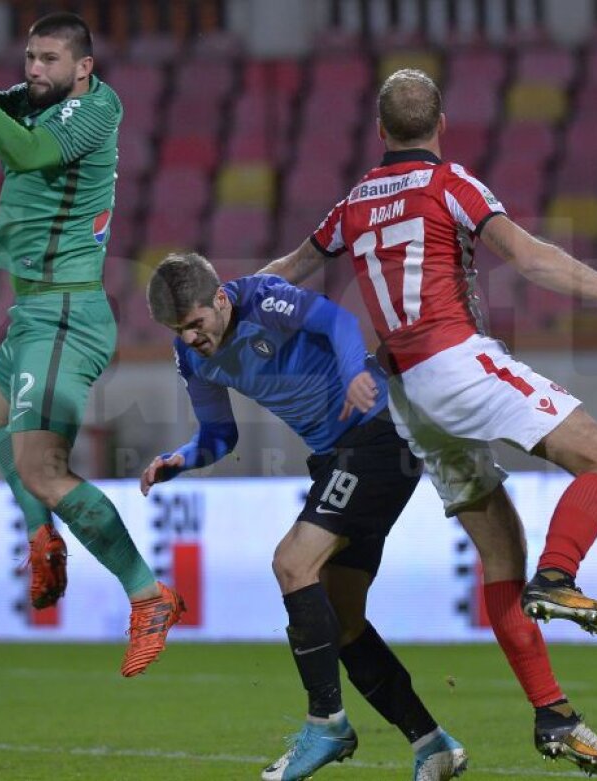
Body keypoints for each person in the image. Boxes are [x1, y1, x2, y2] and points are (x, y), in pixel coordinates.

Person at [262, 68, 597, 775]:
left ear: (382, 131)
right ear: (441, 123)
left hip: (409, 399)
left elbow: (285, 272)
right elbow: (529, 256)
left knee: (500, 554)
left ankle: (554, 715)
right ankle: (561, 575)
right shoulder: (450, 183)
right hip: (454, 363)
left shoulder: (351, 203)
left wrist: (216, 303)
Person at [0, 13, 183, 676]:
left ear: (83, 65)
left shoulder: (96, 109)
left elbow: (25, 153)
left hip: (67, 313)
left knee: (44, 470)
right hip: (35, 311)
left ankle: (148, 593)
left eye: (48, 59)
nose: (34, 70)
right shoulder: (37, 99)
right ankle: (43, 537)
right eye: (29, 57)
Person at [143, 254, 465, 781]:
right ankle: (434, 745)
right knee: (344, 622)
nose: (191, 338)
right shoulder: (191, 357)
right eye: (179, 331)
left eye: (196, 324)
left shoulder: (261, 298)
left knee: (293, 563)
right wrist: (182, 458)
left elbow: (336, 321)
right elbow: (220, 436)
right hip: (337, 460)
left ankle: (327, 723)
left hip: (377, 433)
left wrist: (354, 373)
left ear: (220, 299)